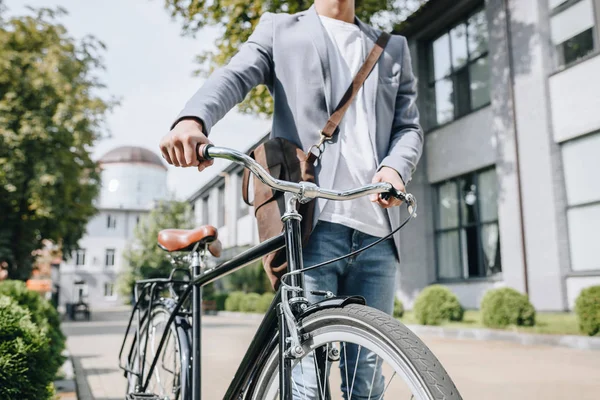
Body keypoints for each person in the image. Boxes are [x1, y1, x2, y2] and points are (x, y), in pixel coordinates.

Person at [160, 0, 423, 397]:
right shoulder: (280, 29)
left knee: (366, 378)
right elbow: (233, 76)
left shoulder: (392, 47)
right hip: (312, 229)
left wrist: (395, 168)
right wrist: (193, 119)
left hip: (377, 234)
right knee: (306, 375)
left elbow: (409, 127)